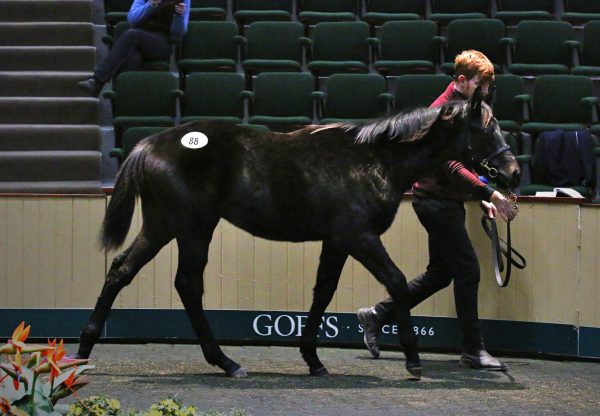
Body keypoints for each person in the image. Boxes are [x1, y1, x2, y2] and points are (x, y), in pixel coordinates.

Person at [357, 50, 517, 371]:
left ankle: (376, 316)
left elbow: (466, 161)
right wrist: (490, 193)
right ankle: (473, 350)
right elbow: (452, 166)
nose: (484, 92)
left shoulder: (463, 110)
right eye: (479, 84)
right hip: (435, 203)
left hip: (443, 201)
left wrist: (480, 197)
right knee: (468, 270)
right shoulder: (443, 114)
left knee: (440, 274)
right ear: (461, 81)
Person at [78, 0, 190, 96]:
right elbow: (132, 18)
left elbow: (179, 32)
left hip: (161, 43)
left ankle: (97, 80)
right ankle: (126, 107)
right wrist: (151, 5)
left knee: (131, 35)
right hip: (137, 39)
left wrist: (178, 16)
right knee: (132, 58)